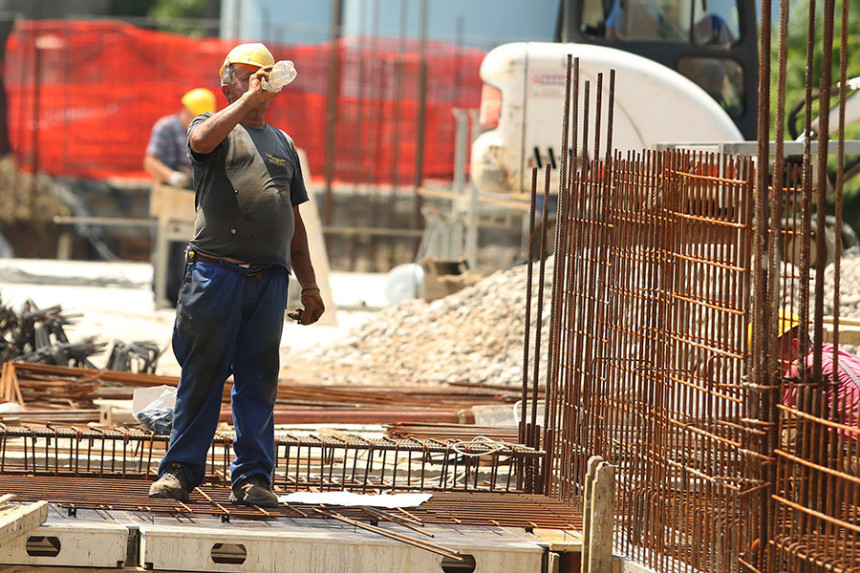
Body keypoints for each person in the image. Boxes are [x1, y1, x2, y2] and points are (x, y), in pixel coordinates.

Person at [148, 42, 326, 508]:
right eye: (246, 77)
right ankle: (180, 471)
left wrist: (308, 284)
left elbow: (294, 220)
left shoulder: (283, 144)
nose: (255, 83)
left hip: (268, 280)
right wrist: (247, 100)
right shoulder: (211, 127)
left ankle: (252, 478)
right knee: (203, 373)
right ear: (227, 82)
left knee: (258, 379)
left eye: (262, 77)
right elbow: (201, 144)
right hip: (215, 274)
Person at [144, 88, 217, 307]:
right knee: (164, 248)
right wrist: (171, 176)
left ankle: (181, 295)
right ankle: (162, 294)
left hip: (192, 198)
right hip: (167, 196)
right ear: (186, 110)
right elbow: (150, 161)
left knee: (188, 249)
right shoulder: (165, 128)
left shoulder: (204, 133)